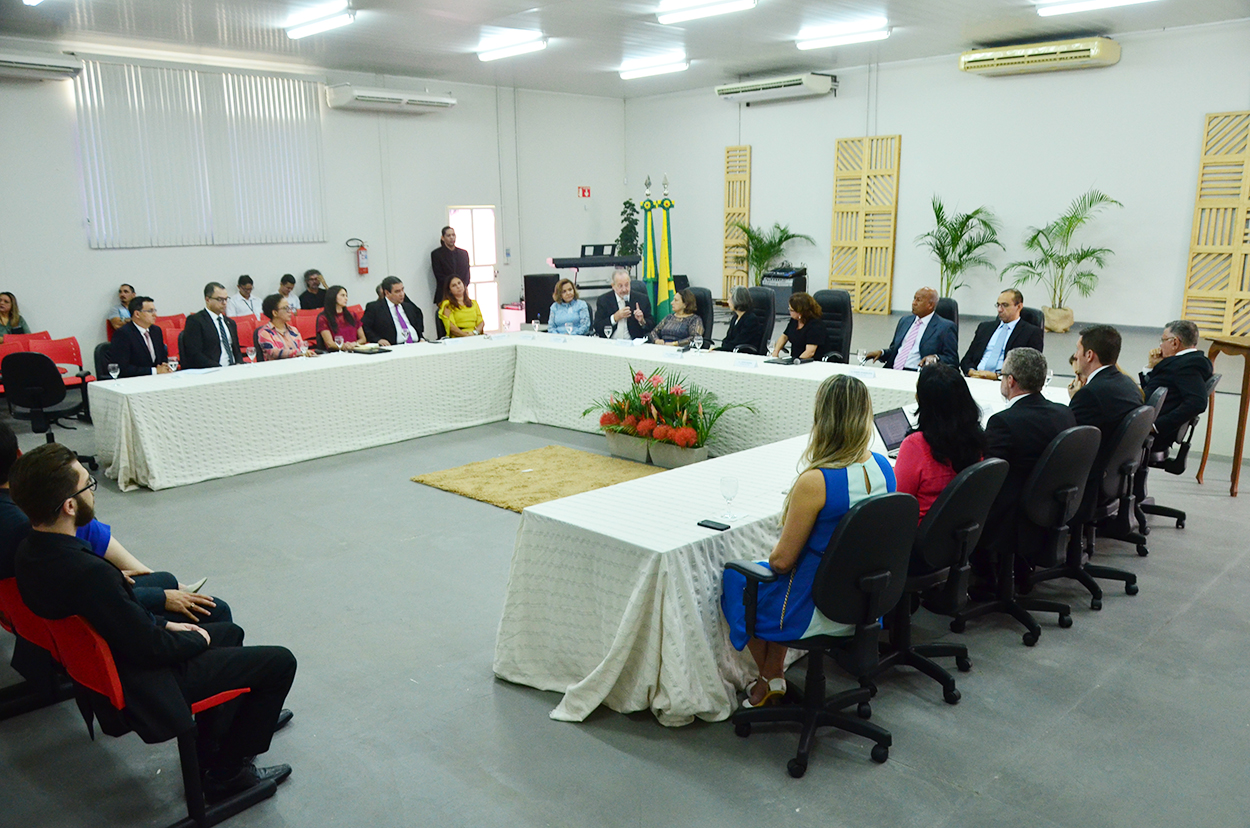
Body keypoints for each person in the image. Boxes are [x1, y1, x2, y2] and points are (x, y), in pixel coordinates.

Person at [10, 443, 296, 800]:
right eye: (87, 485)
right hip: (146, 684)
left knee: (228, 630)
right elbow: (149, 647)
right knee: (280, 662)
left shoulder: (29, 552)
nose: (92, 492)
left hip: (112, 665)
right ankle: (227, 773)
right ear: (70, 506)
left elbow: (123, 622)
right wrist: (198, 639)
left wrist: (165, 624)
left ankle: (218, 740)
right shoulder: (90, 573)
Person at [721, 374, 895, 708]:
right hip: (864, 602)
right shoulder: (884, 468)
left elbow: (781, 562)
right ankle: (773, 677)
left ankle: (769, 674)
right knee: (792, 575)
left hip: (815, 609)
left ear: (822, 418)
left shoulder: (815, 481)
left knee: (739, 576)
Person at [976, 347, 1076, 586]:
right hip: (1053, 507)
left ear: (1011, 381)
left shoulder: (1003, 422)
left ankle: (984, 580)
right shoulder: (1064, 413)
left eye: (1002, 375)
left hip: (1013, 516)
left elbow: (987, 476)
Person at [894, 363, 985, 524]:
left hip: (916, 533)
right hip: (955, 532)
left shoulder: (916, 445)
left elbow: (897, 503)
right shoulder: (975, 440)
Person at [1069, 324, 1144, 468]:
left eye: (1078, 349)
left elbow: (1070, 439)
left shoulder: (1090, 394)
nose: (1075, 355)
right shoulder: (1129, 384)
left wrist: (1075, 399)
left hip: (1091, 470)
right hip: (1116, 468)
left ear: (1089, 355)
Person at [1143, 319, 1212, 449]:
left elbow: (1197, 402)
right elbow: (1150, 390)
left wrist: (1156, 426)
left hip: (1151, 434)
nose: (1160, 345)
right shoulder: (1188, 362)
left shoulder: (1185, 366)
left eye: (1163, 340)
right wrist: (1151, 367)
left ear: (1174, 342)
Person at [866, 286, 958, 370]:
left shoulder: (945, 327)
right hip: (893, 370)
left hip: (917, 373)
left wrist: (935, 357)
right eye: (914, 299)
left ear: (930, 305)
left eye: (918, 300)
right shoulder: (905, 321)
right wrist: (882, 353)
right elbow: (895, 350)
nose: (914, 303)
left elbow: (952, 359)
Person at [960, 289, 1045, 378]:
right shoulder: (984, 328)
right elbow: (967, 359)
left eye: (1005, 305)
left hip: (1006, 382)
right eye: (998, 305)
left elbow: (1030, 368)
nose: (999, 310)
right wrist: (971, 371)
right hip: (976, 378)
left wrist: (997, 376)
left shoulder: (1031, 333)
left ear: (1019, 306)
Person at [183, 283, 244, 369]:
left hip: (233, 368)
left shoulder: (230, 323)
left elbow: (236, 350)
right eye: (220, 299)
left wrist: (239, 364)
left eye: (226, 299)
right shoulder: (196, 321)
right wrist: (219, 367)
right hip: (211, 369)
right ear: (207, 299)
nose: (224, 303)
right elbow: (194, 353)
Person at [110, 296, 173, 377]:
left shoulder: (156, 331)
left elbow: (162, 357)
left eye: (155, 310)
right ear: (137, 314)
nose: (155, 315)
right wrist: (154, 371)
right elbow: (123, 368)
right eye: (150, 311)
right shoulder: (123, 334)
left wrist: (164, 367)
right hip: (134, 380)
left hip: (158, 379)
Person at [362, 276, 425, 345]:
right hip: (394, 345)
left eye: (402, 290)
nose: (402, 294)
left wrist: (421, 338)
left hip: (416, 343)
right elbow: (366, 327)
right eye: (397, 291)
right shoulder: (375, 308)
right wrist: (378, 340)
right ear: (387, 293)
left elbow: (417, 324)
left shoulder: (409, 307)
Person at [593, 268, 654, 340]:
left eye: (627, 285)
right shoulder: (604, 300)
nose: (624, 289)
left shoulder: (642, 299)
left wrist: (642, 321)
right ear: (613, 286)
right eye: (620, 286)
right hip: (611, 342)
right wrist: (615, 318)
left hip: (634, 342)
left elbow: (652, 325)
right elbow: (597, 326)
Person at [770, 292, 827, 360]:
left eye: (791, 310)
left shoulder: (816, 325)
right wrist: (776, 351)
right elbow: (784, 336)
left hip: (812, 361)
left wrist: (796, 362)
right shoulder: (794, 321)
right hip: (795, 359)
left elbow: (810, 352)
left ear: (800, 312)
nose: (789, 312)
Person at [257, 294, 312, 360]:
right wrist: (297, 352)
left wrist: (305, 352)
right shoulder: (265, 332)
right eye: (286, 308)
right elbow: (274, 352)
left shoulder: (293, 330)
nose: (290, 311)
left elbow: (302, 348)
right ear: (275, 313)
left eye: (290, 308)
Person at [714, 285, 763, 352]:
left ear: (737, 300)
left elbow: (738, 342)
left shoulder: (751, 320)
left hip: (743, 353)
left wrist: (718, 350)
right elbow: (728, 339)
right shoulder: (735, 317)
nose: (728, 301)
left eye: (729, 298)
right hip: (732, 351)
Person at [317, 286, 366, 351]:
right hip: (336, 352)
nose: (346, 299)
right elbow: (330, 343)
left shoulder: (352, 315)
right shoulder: (323, 318)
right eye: (342, 295)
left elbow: (363, 339)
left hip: (355, 349)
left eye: (346, 296)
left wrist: (354, 344)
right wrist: (344, 346)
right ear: (333, 297)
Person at [430, 225, 470, 304]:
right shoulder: (437, 254)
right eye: (448, 235)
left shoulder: (463, 253)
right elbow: (439, 275)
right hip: (444, 293)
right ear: (443, 238)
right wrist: (452, 286)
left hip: (462, 293)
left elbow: (466, 273)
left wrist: (462, 286)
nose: (451, 238)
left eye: (453, 235)